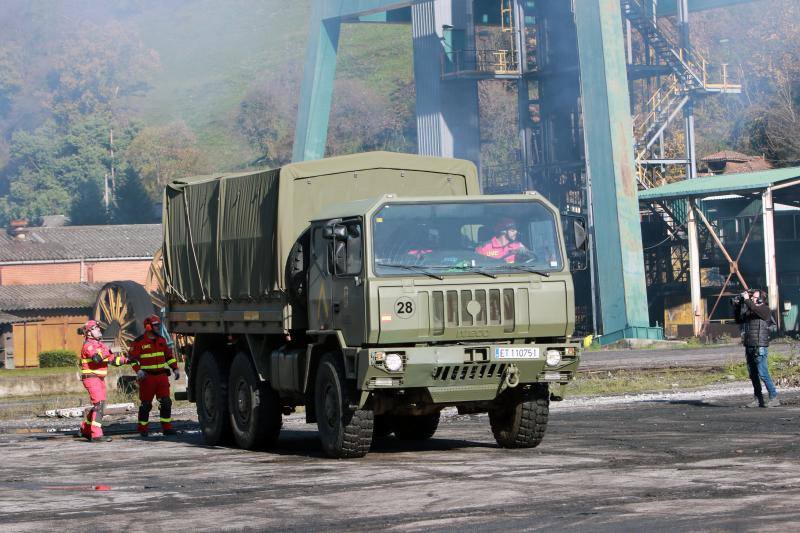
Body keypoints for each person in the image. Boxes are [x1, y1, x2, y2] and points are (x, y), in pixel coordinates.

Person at [127, 314, 180, 437]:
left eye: (159, 325)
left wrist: (175, 368)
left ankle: (167, 428)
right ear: (148, 326)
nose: (158, 327)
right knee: (146, 405)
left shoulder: (161, 340)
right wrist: (138, 371)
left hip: (161, 377)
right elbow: (133, 359)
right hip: (147, 378)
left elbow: (169, 357)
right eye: (156, 325)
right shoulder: (139, 342)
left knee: (166, 402)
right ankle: (143, 429)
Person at [78, 320, 127, 442]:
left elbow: (113, 360)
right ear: (89, 333)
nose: (99, 329)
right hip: (91, 378)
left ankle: (85, 429)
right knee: (99, 405)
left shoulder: (101, 345)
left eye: (98, 328)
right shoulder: (88, 345)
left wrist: (128, 360)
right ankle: (96, 435)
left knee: (99, 406)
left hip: (99, 379)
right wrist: (110, 351)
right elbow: (96, 359)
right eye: (95, 328)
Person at [734, 288, 779, 408]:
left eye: (754, 297)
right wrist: (737, 306)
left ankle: (774, 397)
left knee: (763, 373)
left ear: (760, 299)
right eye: (751, 297)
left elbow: (756, 309)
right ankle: (758, 399)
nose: (751, 299)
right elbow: (738, 320)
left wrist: (747, 300)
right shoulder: (751, 311)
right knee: (753, 374)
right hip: (749, 345)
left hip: (760, 346)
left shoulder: (765, 309)